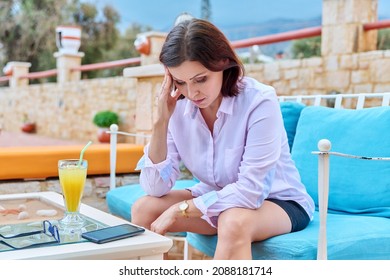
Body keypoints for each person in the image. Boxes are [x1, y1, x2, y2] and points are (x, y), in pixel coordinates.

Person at [132, 18, 315, 260]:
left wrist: (183, 209)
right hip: (217, 196)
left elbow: (250, 192)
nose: (192, 92)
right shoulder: (177, 108)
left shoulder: (259, 101)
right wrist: (161, 121)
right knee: (144, 208)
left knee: (233, 220)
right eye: (180, 82)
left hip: (278, 202)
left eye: (201, 79)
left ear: (222, 64)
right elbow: (155, 187)